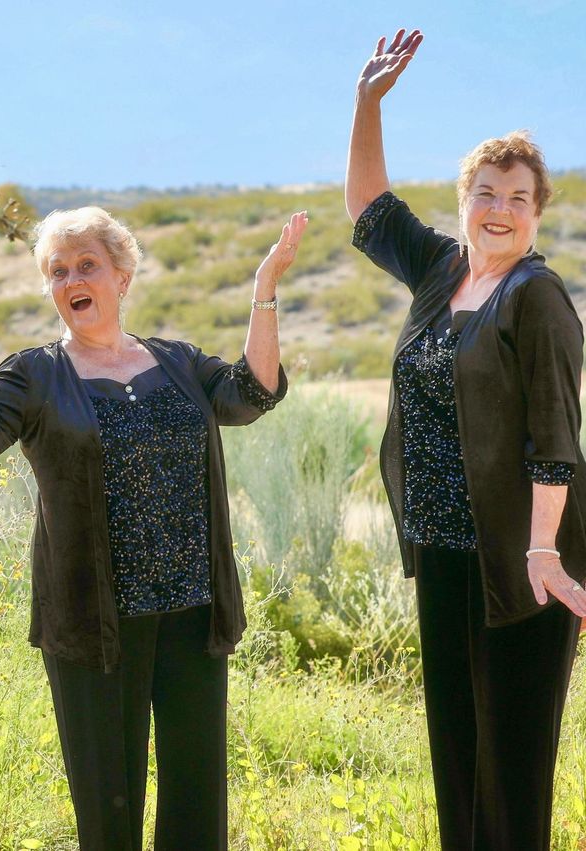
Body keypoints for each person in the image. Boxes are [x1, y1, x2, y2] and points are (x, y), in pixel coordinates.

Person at [0, 205, 306, 850]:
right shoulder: (35, 373)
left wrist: (263, 291)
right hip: (94, 623)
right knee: (108, 811)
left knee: (198, 804)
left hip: (193, 613)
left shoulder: (175, 362)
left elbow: (252, 394)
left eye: (86, 265)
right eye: (57, 271)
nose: (71, 280)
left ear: (122, 276)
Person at [345, 29, 586, 850]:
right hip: (445, 554)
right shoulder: (444, 272)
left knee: (512, 770)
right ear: (464, 201)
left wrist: (545, 552)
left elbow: (557, 431)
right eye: (487, 192)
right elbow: (369, 211)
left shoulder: (537, 296)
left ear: (536, 213)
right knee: (457, 754)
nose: (500, 209)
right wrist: (367, 104)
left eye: (519, 197)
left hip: (522, 560)